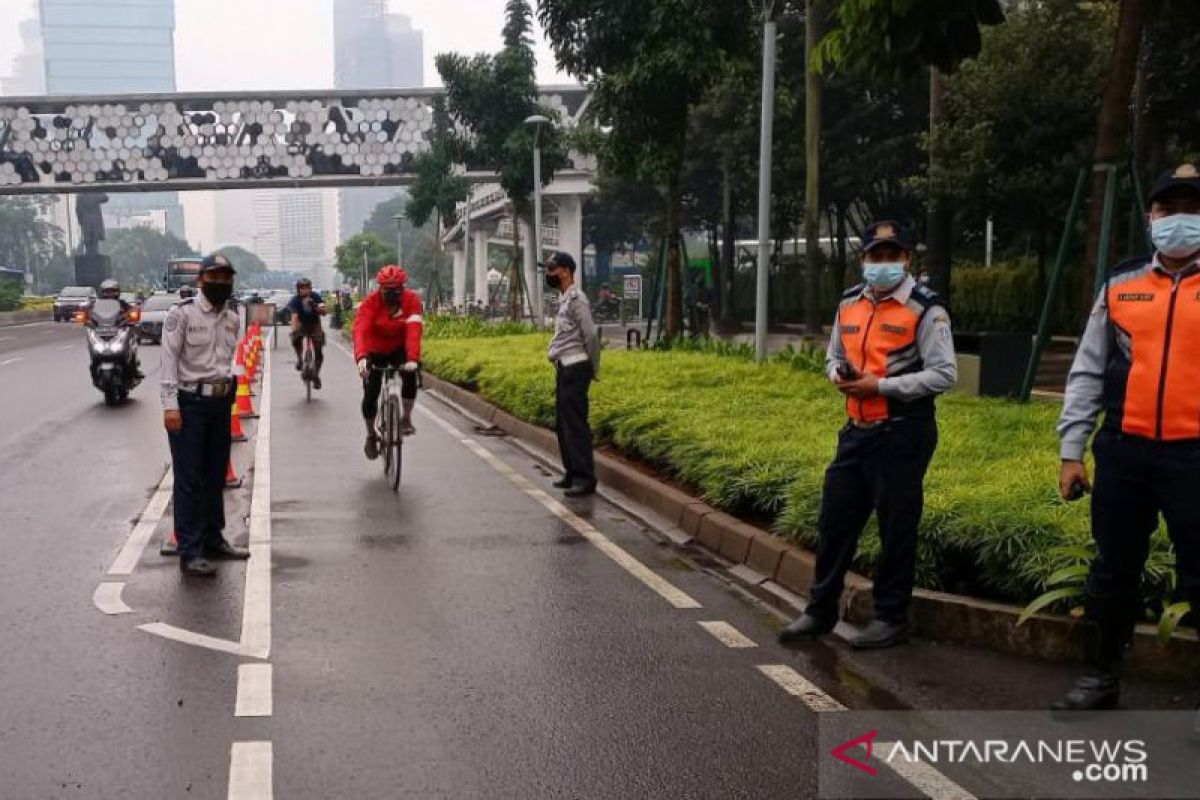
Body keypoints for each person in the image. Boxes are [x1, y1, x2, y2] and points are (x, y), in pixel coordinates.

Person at [1053, 165, 1200, 728]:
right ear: (1151, 218)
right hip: (1125, 451)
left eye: (1192, 208)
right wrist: (1072, 450)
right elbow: (1088, 370)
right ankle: (1099, 678)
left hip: (1195, 457)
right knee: (1113, 570)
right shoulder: (1120, 284)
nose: (1180, 219)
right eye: (1170, 209)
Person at [778, 221, 957, 649]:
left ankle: (890, 618)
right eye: (875, 256)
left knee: (896, 528)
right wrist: (837, 375)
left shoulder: (925, 308)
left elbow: (944, 374)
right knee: (835, 521)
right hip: (856, 430)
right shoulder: (849, 305)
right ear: (863, 260)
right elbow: (832, 356)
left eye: (892, 256)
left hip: (902, 432)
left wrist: (880, 386)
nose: (883, 264)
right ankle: (820, 610)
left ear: (907, 259)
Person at [160, 252, 249, 577]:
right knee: (190, 480)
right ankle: (190, 549)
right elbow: (169, 359)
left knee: (214, 476)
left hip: (219, 403)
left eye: (227, 278)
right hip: (189, 403)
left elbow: (230, 359)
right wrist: (170, 405)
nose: (221, 284)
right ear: (201, 280)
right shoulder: (181, 313)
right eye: (215, 277)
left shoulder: (232, 317)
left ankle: (213, 538)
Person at [543, 252, 601, 497]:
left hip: (576, 367)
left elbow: (591, 335)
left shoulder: (577, 298)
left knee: (575, 424)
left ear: (566, 271)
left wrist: (594, 368)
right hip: (564, 368)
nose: (549, 275)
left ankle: (584, 477)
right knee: (562, 424)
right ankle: (571, 472)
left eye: (552, 270)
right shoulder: (565, 299)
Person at [353, 265, 424, 458]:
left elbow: (414, 331)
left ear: (402, 288)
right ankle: (370, 434)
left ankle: (406, 418)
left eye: (396, 289)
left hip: (399, 349)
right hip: (374, 351)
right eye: (387, 289)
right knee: (370, 394)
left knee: (410, 376)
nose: (391, 293)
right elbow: (361, 330)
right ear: (380, 288)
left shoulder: (411, 301)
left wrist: (413, 359)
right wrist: (361, 357)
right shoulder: (370, 303)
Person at [287, 277, 327, 389]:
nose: (305, 291)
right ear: (298, 290)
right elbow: (294, 317)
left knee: (319, 348)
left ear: (310, 289)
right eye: (302, 288)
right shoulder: (295, 300)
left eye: (307, 288)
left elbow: (324, 312)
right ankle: (300, 359)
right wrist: (294, 331)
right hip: (302, 324)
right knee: (295, 338)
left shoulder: (316, 297)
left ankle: (316, 375)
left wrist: (315, 306)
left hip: (315, 324)